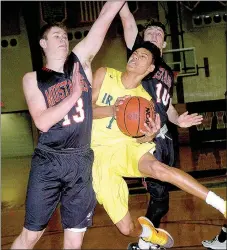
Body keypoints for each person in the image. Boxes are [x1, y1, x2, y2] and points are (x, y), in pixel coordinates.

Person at [10, 2, 126, 249]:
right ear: (43, 44)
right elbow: (42, 121)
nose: (63, 39)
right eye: (56, 36)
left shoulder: (80, 62)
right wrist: (73, 95)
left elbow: (105, 16)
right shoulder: (33, 79)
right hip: (49, 161)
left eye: (64, 35)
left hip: (81, 161)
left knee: (74, 240)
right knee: (30, 236)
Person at [91, 42, 226, 249]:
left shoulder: (146, 101)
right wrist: (114, 110)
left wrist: (150, 133)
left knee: (158, 169)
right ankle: (148, 233)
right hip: (96, 155)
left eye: (142, 56)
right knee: (126, 229)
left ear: (150, 68)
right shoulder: (105, 73)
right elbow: (84, 111)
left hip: (124, 148)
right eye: (134, 53)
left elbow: (140, 139)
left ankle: (222, 205)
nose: (135, 57)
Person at [119, 4, 203, 249]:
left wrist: (178, 120)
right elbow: (126, 20)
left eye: (159, 34)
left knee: (163, 198)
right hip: (147, 138)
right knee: (160, 198)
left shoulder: (165, 70)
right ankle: (144, 243)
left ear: (164, 44)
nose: (155, 35)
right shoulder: (140, 58)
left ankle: (147, 241)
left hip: (165, 138)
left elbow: (166, 106)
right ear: (141, 41)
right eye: (150, 32)